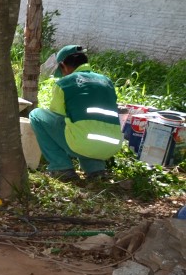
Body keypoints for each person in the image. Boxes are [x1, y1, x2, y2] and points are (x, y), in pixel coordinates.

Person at [28, 44, 123, 181]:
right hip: (111, 146)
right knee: (86, 126)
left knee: (37, 115)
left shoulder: (65, 83)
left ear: (63, 66)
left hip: (83, 143)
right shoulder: (106, 81)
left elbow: (58, 116)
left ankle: (61, 168)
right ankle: (96, 170)